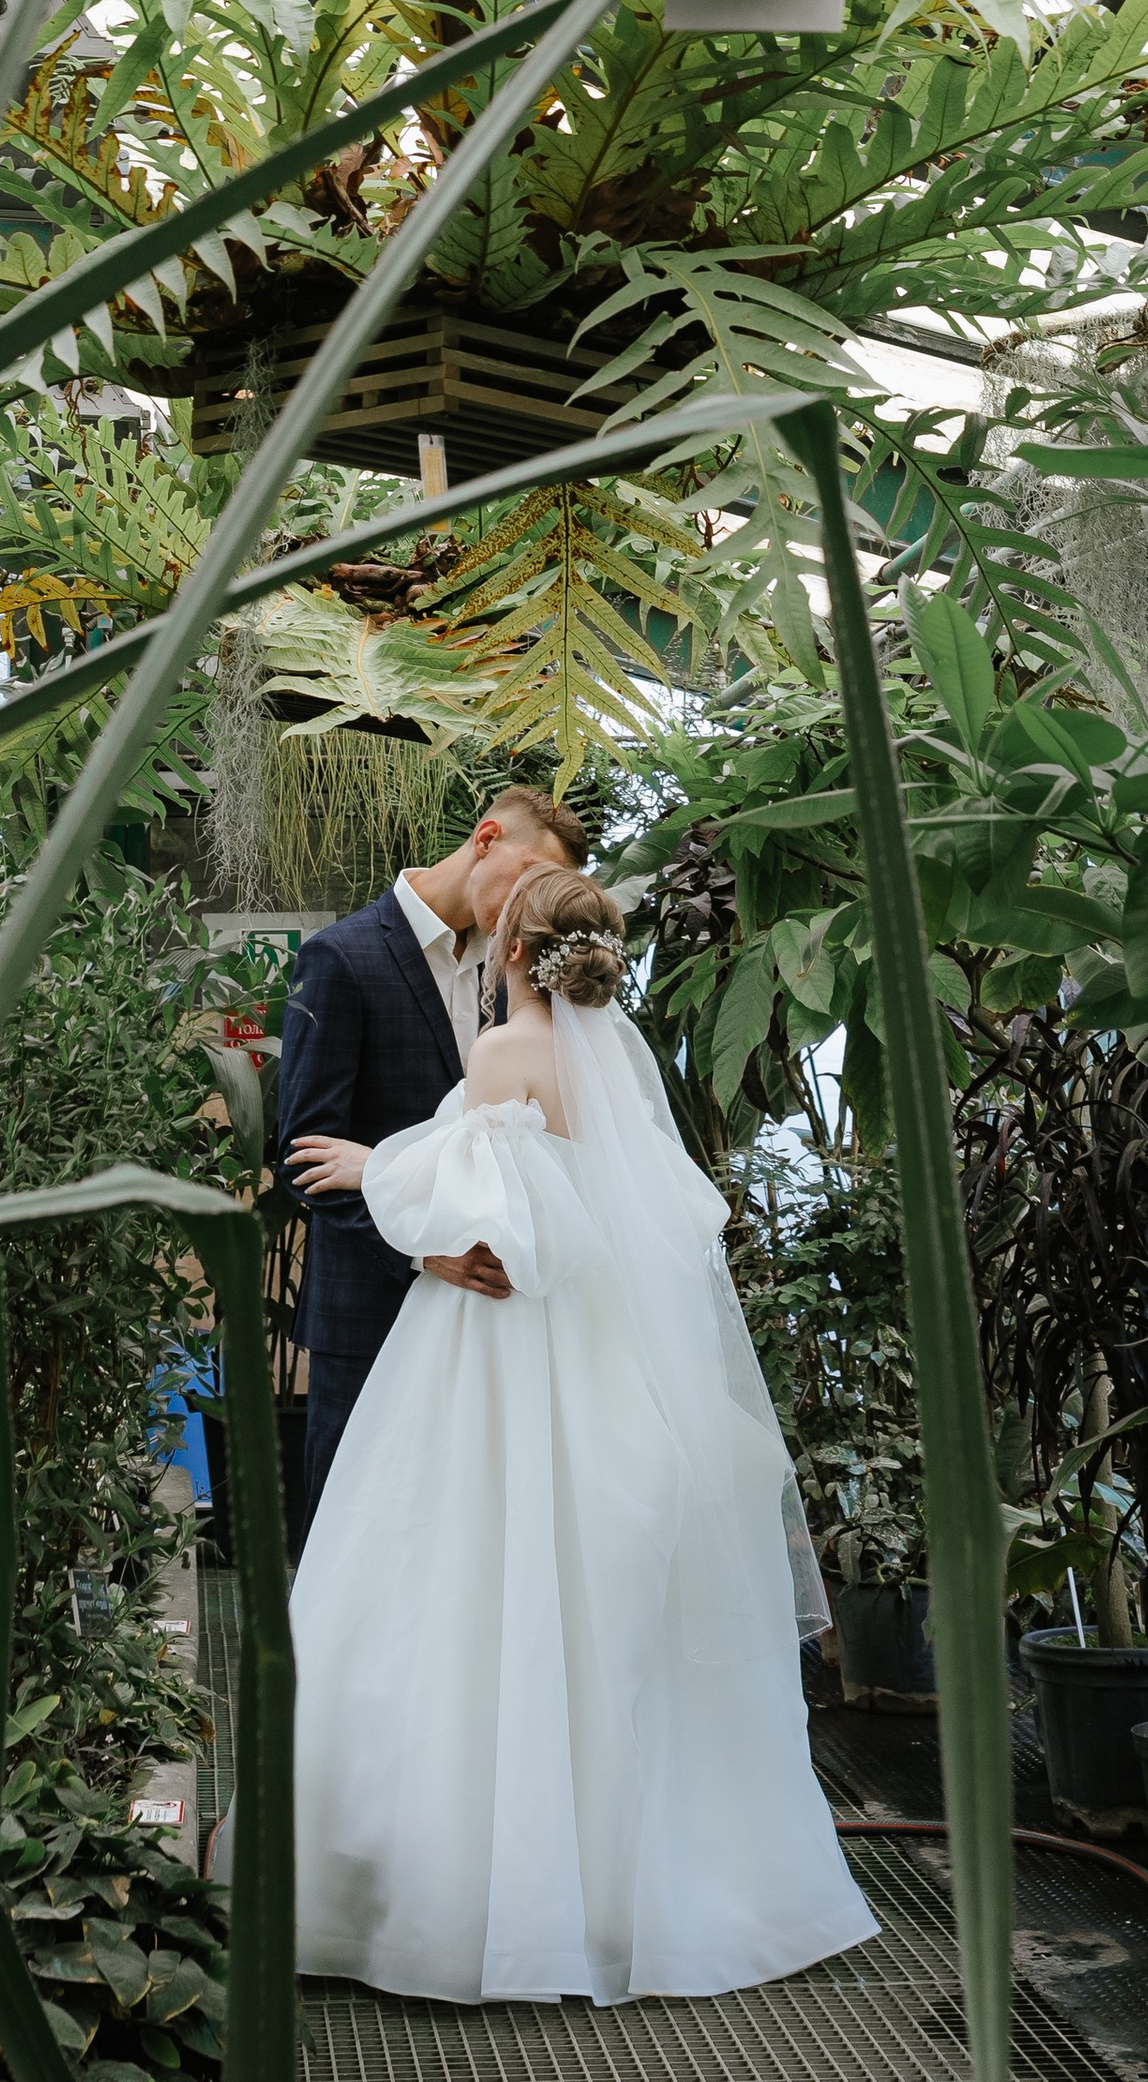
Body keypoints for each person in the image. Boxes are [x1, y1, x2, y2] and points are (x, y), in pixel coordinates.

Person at [281, 865, 877, 2006]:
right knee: (585, 1612)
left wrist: (371, 1164)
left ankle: (446, 1893)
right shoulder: (624, 1085)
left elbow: (490, 1225)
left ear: (512, 950)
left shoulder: (504, 1058)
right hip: (595, 1362)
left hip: (496, 1362)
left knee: (456, 1593)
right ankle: (616, 1878)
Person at [273, 788, 586, 1549]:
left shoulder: (522, 980)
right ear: (486, 839)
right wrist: (423, 1246)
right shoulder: (341, 957)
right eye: (531, 871)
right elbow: (302, 1154)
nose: (531, 901)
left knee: (460, 1548)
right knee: (352, 1541)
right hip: (370, 1313)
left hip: (494, 1325)